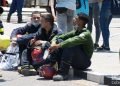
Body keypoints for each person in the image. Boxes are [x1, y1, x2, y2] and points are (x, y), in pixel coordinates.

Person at [35, 13, 94, 81]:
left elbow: (72, 41)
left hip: (84, 63)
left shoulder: (85, 34)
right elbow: (59, 36)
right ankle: (52, 66)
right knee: (60, 41)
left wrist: (58, 46)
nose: (73, 19)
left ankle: (63, 74)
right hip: (76, 60)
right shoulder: (76, 31)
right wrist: (54, 43)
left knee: (70, 46)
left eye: (75, 18)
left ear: (80, 21)